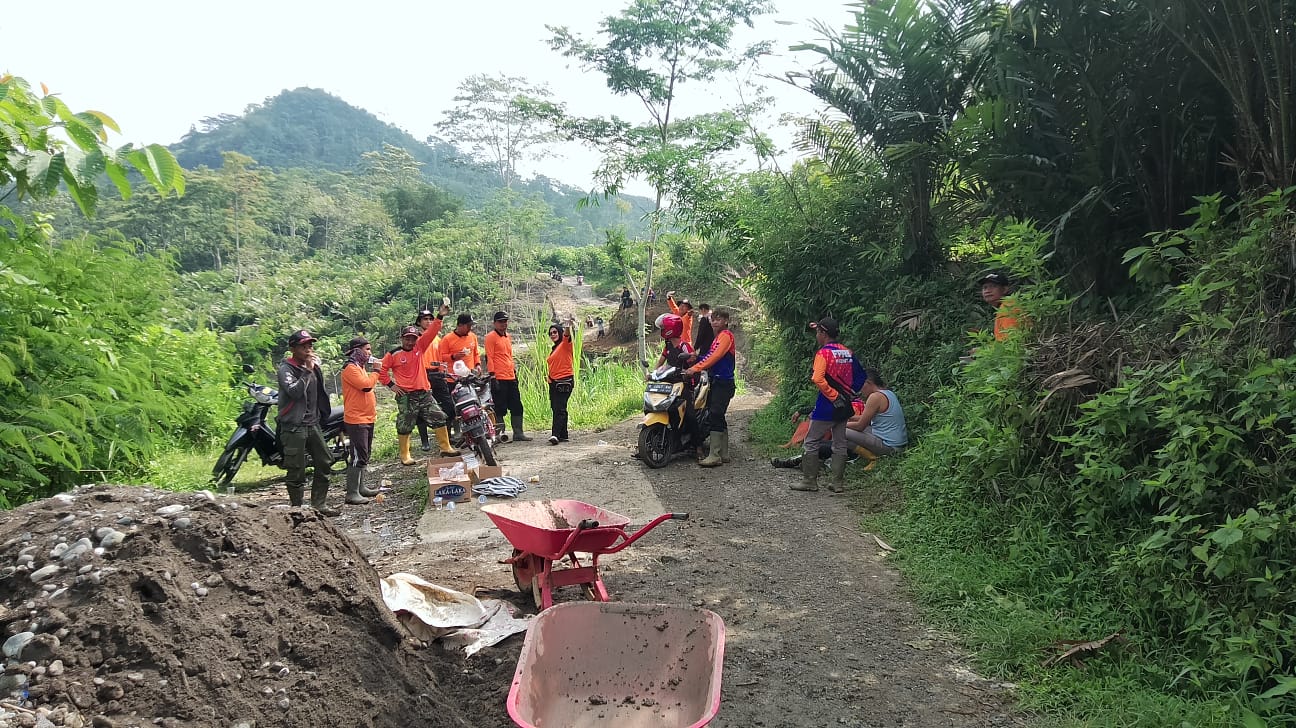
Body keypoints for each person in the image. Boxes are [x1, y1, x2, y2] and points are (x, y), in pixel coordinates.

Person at [792, 318, 866, 493]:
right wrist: (848, 393)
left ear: (823, 334)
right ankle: (837, 483)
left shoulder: (823, 354)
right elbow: (861, 377)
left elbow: (817, 378)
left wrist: (833, 396)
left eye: (817, 332)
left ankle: (809, 481)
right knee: (840, 443)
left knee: (811, 441)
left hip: (826, 405)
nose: (816, 336)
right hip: (844, 406)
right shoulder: (847, 352)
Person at [276, 329, 338, 515]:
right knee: (296, 469)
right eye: (304, 346)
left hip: (313, 424)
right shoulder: (286, 369)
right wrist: (307, 372)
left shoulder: (313, 367)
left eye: (310, 345)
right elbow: (294, 392)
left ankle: (319, 504)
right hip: (294, 426)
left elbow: (320, 393)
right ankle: (297, 509)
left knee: (325, 461)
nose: (308, 349)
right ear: (293, 348)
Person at [378, 305, 449, 466]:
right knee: (405, 424)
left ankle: (445, 447)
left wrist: (440, 317)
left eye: (413, 338)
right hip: (406, 395)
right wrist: (391, 385)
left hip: (424, 392)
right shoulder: (393, 354)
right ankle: (405, 455)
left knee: (439, 416)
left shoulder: (419, 348)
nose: (410, 341)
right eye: (407, 338)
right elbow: (381, 371)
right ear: (402, 338)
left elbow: (431, 333)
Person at [685, 309, 736, 468]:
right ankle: (724, 453)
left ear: (726, 321)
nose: (715, 322)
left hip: (723, 382)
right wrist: (696, 358)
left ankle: (714, 455)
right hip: (716, 381)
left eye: (719, 319)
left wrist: (696, 368)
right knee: (717, 414)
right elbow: (710, 355)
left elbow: (715, 357)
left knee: (715, 413)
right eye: (713, 319)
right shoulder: (717, 338)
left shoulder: (726, 336)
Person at [340, 337, 380, 505]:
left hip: (367, 417)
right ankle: (352, 493)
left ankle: (361, 487)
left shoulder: (360, 367)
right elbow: (366, 386)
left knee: (364, 454)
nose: (369, 353)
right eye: (367, 349)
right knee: (358, 455)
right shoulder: (350, 368)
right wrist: (376, 371)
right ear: (357, 350)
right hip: (356, 419)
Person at [485, 311, 532, 442]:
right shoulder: (490, 337)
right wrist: (492, 376)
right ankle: (500, 434)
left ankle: (518, 433)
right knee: (500, 408)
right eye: (500, 321)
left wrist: (514, 372)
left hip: (511, 376)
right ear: (495, 323)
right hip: (499, 377)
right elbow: (489, 357)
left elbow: (508, 356)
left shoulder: (507, 337)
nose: (503, 324)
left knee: (517, 406)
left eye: (505, 321)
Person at [419, 308, 459, 456]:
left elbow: (442, 356)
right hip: (424, 374)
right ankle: (425, 441)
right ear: (419, 322)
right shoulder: (417, 338)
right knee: (422, 408)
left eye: (430, 319)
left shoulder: (437, 339)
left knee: (448, 406)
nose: (428, 322)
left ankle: (447, 437)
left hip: (438, 374)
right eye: (425, 319)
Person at [844, 368, 909, 458]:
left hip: (891, 447)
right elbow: (865, 418)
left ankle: (872, 458)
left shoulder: (875, 397)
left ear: (868, 382)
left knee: (840, 431)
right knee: (847, 427)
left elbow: (860, 426)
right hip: (898, 443)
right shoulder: (888, 393)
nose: (860, 390)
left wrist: (840, 424)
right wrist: (848, 417)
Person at [546, 318, 576, 445]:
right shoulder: (555, 348)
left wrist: (567, 326)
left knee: (559, 408)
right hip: (554, 382)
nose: (553, 334)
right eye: (550, 333)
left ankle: (555, 435)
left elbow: (567, 335)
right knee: (557, 407)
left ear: (560, 332)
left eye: (555, 332)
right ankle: (563, 434)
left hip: (564, 380)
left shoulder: (565, 344)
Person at [979, 271, 1023, 342]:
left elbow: (1011, 341)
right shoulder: (1004, 306)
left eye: (993, 286)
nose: (987, 291)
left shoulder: (1009, 306)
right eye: (985, 287)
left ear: (1005, 289)